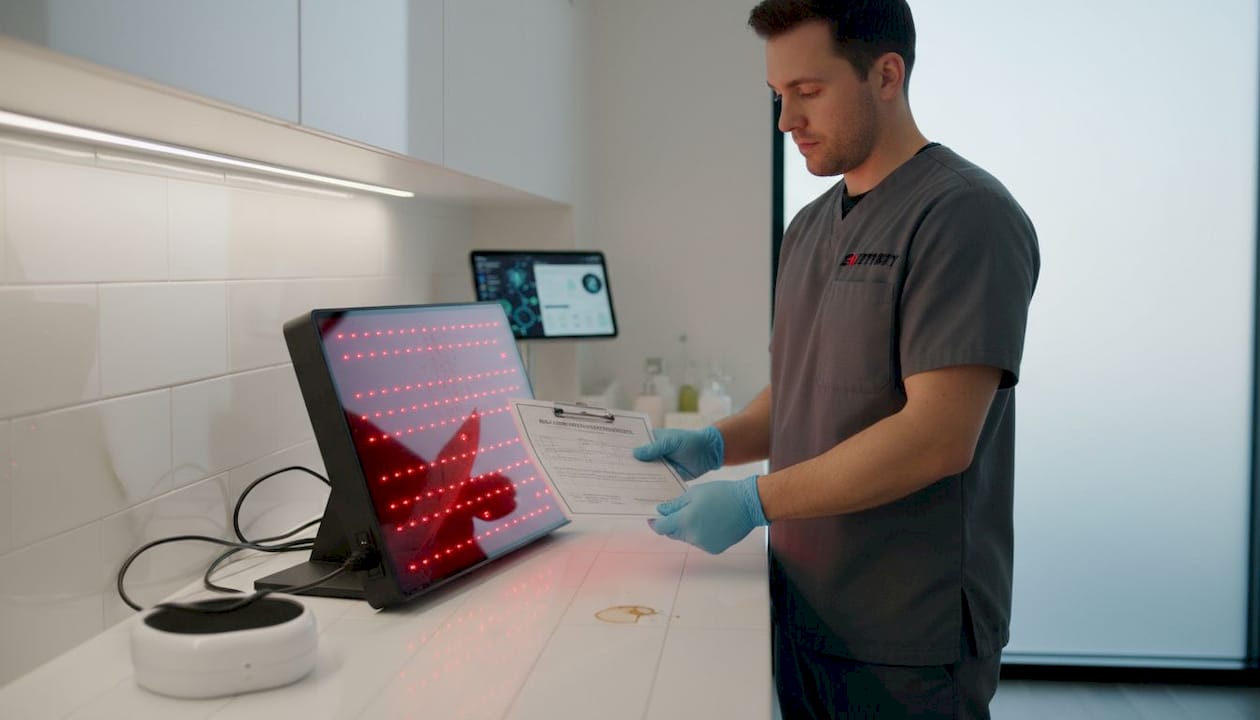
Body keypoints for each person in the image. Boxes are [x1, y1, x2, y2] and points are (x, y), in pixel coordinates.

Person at [633, 1, 1040, 718]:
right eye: (777, 96)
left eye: (808, 92)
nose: (786, 119)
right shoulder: (810, 227)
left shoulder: (964, 216)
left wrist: (755, 500)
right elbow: (800, 390)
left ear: (886, 75)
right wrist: (719, 441)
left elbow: (938, 438)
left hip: (907, 633)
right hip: (805, 608)